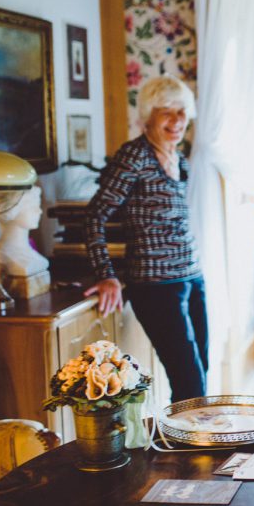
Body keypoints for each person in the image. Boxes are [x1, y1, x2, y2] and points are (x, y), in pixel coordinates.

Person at [83, 75, 208, 403]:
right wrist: (106, 275)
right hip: (155, 285)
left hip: (192, 276)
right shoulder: (133, 156)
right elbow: (94, 216)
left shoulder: (179, 160)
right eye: (167, 111)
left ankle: (197, 447)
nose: (177, 120)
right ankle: (186, 452)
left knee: (200, 371)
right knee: (189, 381)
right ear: (147, 116)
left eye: (182, 112)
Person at [0, 186, 49, 277]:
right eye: (33, 206)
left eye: (38, 205)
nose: (39, 211)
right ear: (13, 209)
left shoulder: (30, 253)